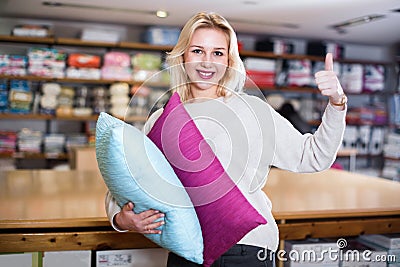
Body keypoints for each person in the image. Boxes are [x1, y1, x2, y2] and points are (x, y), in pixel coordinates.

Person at [105, 11, 347, 267]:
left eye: (218, 53)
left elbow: (314, 157)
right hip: (188, 249)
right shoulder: (161, 120)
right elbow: (129, 178)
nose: (207, 62)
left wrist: (336, 102)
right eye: (198, 51)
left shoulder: (252, 110)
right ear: (182, 56)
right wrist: (120, 219)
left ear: (229, 60)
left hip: (246, 248)